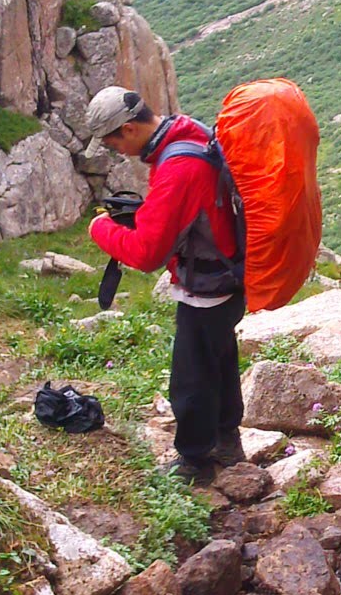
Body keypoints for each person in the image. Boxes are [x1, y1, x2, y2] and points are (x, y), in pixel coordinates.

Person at [82, 86, 246, 482]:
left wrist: (100, 229)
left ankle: (195, 462)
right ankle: (228, 443)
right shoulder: (187, 132)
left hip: (207, 287)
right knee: (219, 360)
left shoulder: (176, 168)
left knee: (191, 377)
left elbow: (146, 253)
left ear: (129, 129)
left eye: (111, 142)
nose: (115, 151)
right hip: (230, 275)